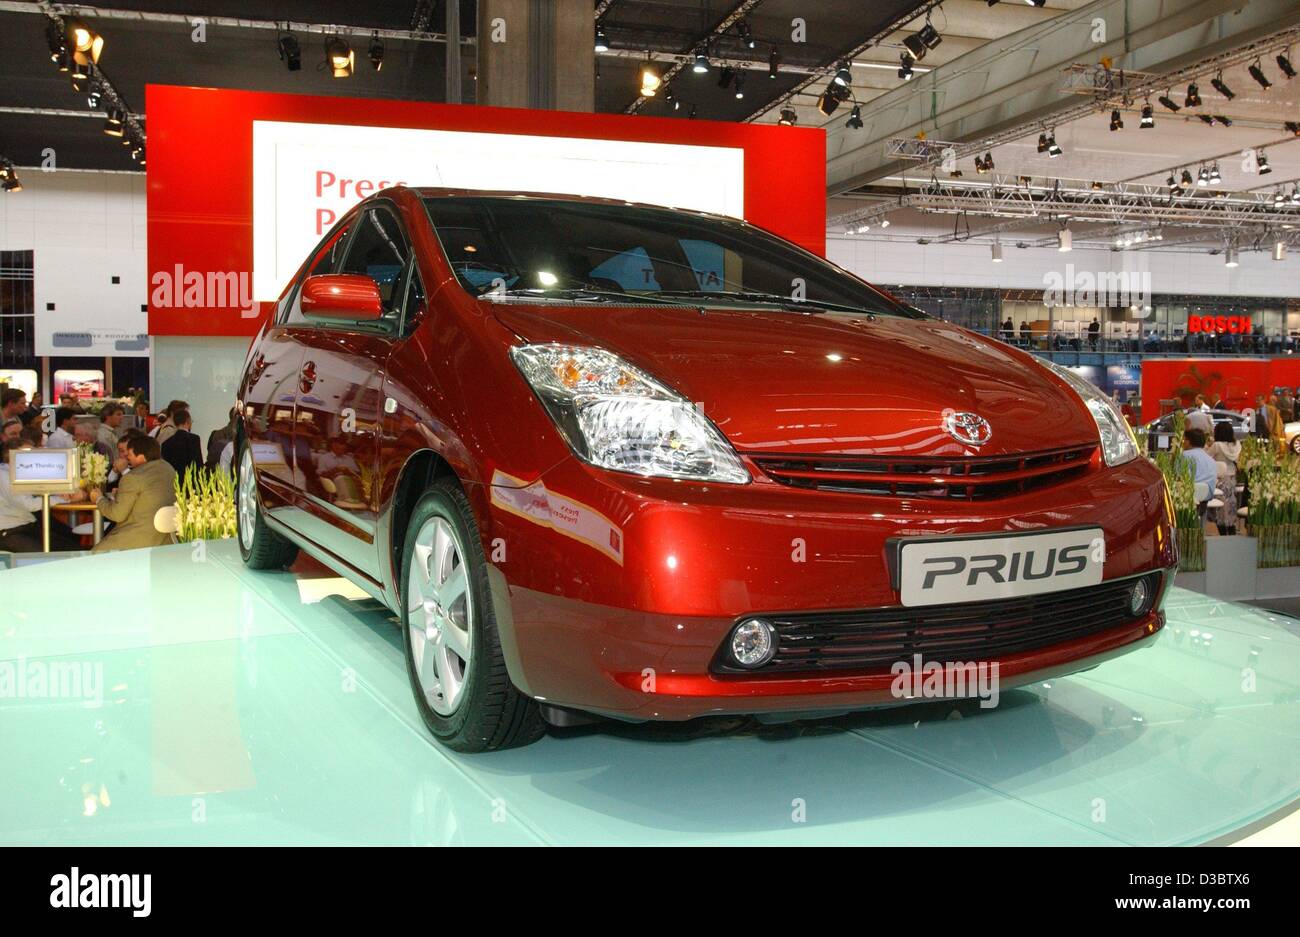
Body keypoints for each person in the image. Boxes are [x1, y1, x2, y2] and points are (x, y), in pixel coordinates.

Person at [89, 435, 176, 553]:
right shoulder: (168, 469)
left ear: (141, 457)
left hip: (137, 538)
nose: (126, 458)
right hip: (165, 539)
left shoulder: (133, 477)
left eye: (129, 455)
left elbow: (117, 515)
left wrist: (98, 498)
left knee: (90, 557)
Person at [0, 439, 81, 552]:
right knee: (54, 553)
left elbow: (39, 490)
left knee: (71, 543)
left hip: (25, 527)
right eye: (28, 453)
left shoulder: (18, 473)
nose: (33, 457)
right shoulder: (4, 475)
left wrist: (63, 494)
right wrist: (63, 499)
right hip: (10, 532)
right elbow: (29, 504)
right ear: (11, 455)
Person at [1208, 421, 1240, 535]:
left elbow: (1207, 456)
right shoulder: (1237, 445)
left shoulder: (1217, 446)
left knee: (1220, 509)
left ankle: (1222, 532)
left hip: (1220, 480)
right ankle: (1231, 530)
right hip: (1232, 479)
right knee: (1231, 507)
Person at [1181, 429, 1218, 515]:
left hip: (1190, 496)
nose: (1182, 442)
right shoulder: (1210, 459)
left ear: (1189, 441)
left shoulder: (1184, 456)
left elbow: (1180, 478)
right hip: (1207, 495)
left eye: (1184, 439)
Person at [161, 408, 203, 480]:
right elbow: (197, 464)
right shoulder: (194, 439)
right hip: (190, 481)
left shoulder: (166, 443)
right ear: (188, 421)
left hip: (173, 481)